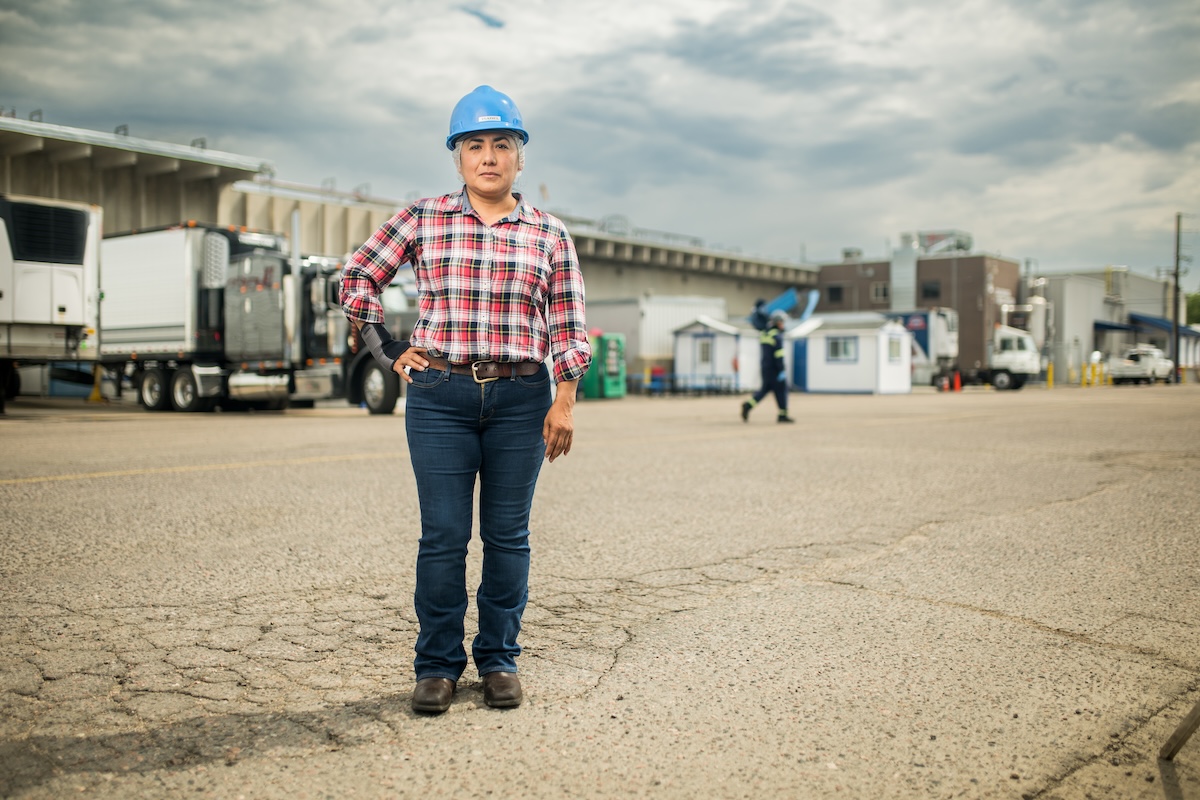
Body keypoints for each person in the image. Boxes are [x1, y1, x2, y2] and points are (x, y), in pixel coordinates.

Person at [340, 85, 591, 715]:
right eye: (474, 145)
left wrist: (564, 402)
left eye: (501, 145)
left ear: (519, 156)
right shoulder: (423, 218)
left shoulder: (549, 234)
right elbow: (357, 277)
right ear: (457, 157)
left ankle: (500, 659)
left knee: (507, 536)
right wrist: (388, 347)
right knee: (444, 536)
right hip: (440, 396)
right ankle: (437, 665)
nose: (488, 157)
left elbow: (567, 323)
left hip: (521, 397)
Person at [741, 309, 794, 423]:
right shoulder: (777, 336)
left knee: (764, 390)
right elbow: (778, 355)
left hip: (765, 368)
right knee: (781, 391)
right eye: (782, 322)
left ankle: (748, 406)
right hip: (775, 369)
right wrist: (782, 370)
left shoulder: (765, 334)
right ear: (778, 322)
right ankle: (783, 415)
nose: (783, 325)